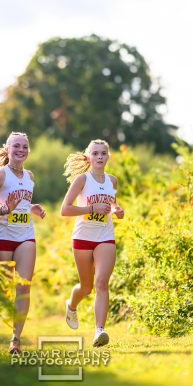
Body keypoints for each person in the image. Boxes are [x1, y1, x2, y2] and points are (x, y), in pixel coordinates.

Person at [0, 131, 46, 354]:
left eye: (25, 146)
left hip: (26, 235)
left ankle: (15, 339)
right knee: (5, 288)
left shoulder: (30, 176)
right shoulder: (0, 174)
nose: (21, 150)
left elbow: (22, 202)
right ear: (7, 149)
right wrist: (3, 210)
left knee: (23, 287)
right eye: (16, 146)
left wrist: (32, 207)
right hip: (2, 235)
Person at [60, 139, 124, 347]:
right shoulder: (82, 180)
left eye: (103, 153)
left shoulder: (112, 181)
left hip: (105, 236)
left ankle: (99, 331)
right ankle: (71, 304)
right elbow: (65, 210)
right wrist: (91, 209)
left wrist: (117, 210)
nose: (99, 157)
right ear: (88, 157)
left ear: (108, 156)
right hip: (82, 238)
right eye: (95, 153)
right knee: (86, 287)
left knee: (101, 282)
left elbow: (112, 203)